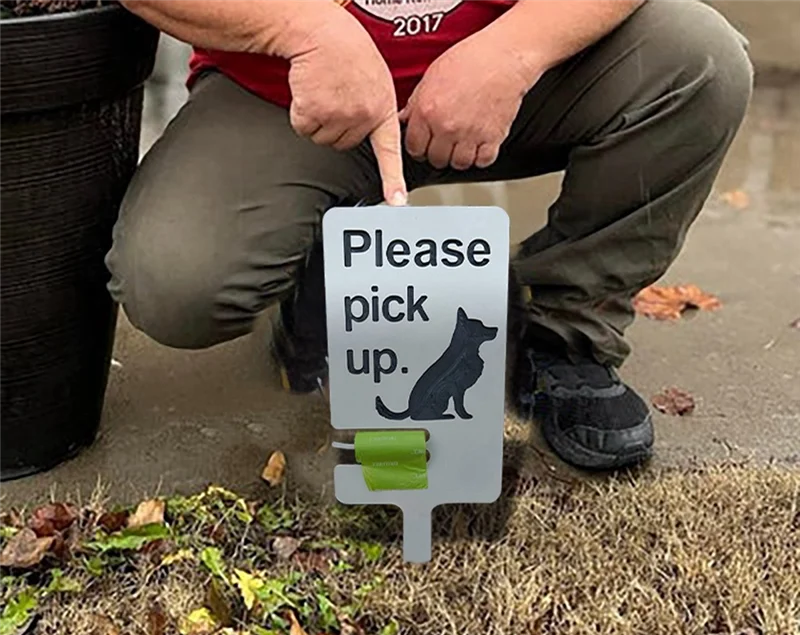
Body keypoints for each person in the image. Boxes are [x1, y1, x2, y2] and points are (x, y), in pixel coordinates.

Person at [108, 0, 753, 470]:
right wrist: (303, 29)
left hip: (515, 74)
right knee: (174, 279)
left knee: (700, 62)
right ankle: (325, 266)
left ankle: (567, 333)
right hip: (291, 93)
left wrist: (513, 53)